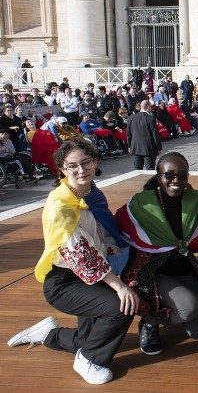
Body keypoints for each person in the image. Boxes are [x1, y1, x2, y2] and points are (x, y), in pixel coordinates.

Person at [7, 139, 136, 384]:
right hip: (65, 282)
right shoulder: (61, 205)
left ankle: (49, 334)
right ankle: (89, 359)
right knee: (120, 306)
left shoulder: (91, 193)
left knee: (90, 334)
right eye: (72, 166)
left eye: (86, 162)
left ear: (95, 162)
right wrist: (118, 285)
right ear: (62, 170)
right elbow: (81, 253)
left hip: (90, 277)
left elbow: (102, 234)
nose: (80, 170)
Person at [116, 153, 198, 356]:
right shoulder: (140, 205)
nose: (176, 181)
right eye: (169, 175)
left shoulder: (196, 201)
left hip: (185, 270)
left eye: (182, 175)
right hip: (152, 273)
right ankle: (150, 320)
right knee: (190, 307)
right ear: (158, 177)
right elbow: (116, 230)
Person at [128, 100, 162, 170]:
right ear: (148, 107)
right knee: (149, 169)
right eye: (150, 107)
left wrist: (129, 146)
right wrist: (159, 147)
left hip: (136, 147)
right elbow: (155, 134)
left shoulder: (131, 118)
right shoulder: (150, 119)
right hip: (148, 148)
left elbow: (128, 133)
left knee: (137, 168)